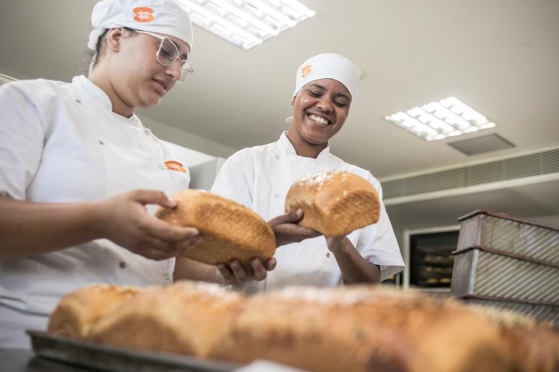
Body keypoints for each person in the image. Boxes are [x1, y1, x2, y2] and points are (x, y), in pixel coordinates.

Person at [0, 0, 304, 349]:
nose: (175, 72)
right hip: (30, 340)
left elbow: (169, 271)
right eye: (167, 51)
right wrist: (99, 220)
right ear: (115, 37)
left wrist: (226, 268)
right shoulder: (31, 104)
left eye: (182, 61)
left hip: (136, 345)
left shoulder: (166, 161)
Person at [207, 53, 405, 293]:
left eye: (340, 102)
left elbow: (369, 284)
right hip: (249, 321)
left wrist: (340, 245)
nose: (325, 105)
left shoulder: (361, 182)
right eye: (314, 92)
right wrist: (265, 238)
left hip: (325, 324)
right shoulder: (247, 164)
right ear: (295, 97)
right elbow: (213, 257)